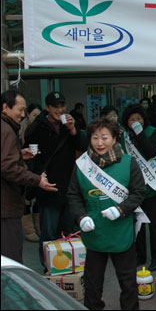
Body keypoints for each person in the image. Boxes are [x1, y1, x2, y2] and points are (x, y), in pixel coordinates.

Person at [67, 117, 145, 310]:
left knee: (127, 281)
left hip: (121, 230)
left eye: (104, 137)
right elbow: (73, 195)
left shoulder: (129, 163)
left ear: (115, 138)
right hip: (94, 230)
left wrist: (120, 209)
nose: (99, 143)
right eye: (94, 138)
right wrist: (81, 216)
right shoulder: (82, 165)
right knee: (92, 281)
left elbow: (138, 193)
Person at [24, 91, 88, 271]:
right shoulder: (36, 128)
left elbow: (83, 146)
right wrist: (38, 176)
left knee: (68, 231)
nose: (60, 110)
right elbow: (30, 157)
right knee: (49, 233)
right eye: (55, 106)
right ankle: (49, 268)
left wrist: (73, 130)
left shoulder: (69, 124)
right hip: (48, 186)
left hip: (68, 186)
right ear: (47, 108)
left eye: (62, 106)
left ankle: (67, 267)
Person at [2, 90, 58, 264]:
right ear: (5, 107)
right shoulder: (6, 130)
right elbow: (7, 166)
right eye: (20, 109)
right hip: (5, 206)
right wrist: (37, 180)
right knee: (10, 261)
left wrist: (19, 154)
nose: (22, 114)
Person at [121, 103, 156, 271]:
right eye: (132, 119)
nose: (135, 121)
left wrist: (140, 133)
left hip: (152, 186)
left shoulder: (152, 131)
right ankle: (140, 256)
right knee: (138, 222)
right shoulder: (124, 136)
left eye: (138, 118)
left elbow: (151, 152)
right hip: (133, 186)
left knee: (155, 224)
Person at [20, 103, 43, 242]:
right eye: (34, 115)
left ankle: (39, 228)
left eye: (38, 115)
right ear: (28, 114)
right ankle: (29, 230)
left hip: (37, 164)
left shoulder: (40, 128)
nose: (36, 118)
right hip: (24, 165)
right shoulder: (21, 128)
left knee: (36, 197)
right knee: (26, 199)